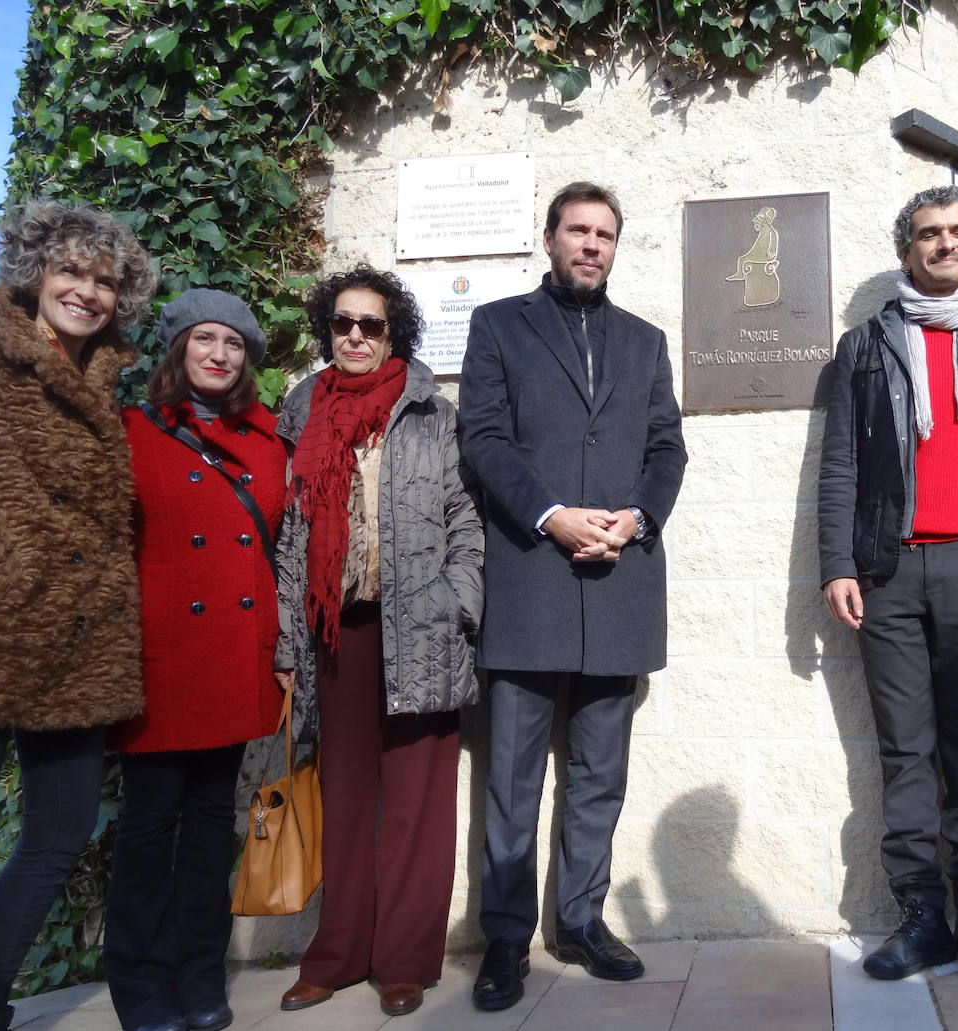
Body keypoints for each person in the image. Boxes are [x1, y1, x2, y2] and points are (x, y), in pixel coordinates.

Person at [459, 181, 687, 1011]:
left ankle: (582, 920)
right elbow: (482, 437)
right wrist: (552, 515)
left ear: (616, 246)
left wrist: (635, 517)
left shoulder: (646, 341)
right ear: (549, 237)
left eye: (605, 234)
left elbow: (668, 447)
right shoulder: (498, 326)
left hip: (620, 580)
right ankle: (508, 939)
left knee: (599, 771)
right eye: (577, 231)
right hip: (531, 577)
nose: (591, 245)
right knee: (511, 775)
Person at [0, 201, 156, 1031]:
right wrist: (8, 580)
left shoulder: (103, 381)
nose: (87, 292)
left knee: (57, 834)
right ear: (34, 273)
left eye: (104, 280)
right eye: (72, 271)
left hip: (78, 642)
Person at [817, 186, 958, 985]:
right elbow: (839, 463)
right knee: (906, 752)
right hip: (890, 570)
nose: (946, 245)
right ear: (907, 251)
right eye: (929, 235)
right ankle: (923, 916)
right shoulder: (865, 346)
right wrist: (838, 562)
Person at [273, 264, 482, 1019]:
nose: (355, 335)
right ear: (327, 329)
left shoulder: (432, 410)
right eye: (342, 323)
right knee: (346, 799)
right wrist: (286, 636)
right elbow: (288, 531)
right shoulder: (300, 410)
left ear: (395, 333)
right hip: (339, 630)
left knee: (419, 806)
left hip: (424, 625)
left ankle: (404, 960)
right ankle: (335, 955)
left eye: (372, 324)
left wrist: (461, 602)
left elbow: (466, 517)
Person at [103, 290, 286, 1031]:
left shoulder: (269, 441)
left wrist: (281, 652)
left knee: (213, 822)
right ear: (177, 349)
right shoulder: (131, 432)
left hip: (236, 657)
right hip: (160, 662)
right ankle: (141, 986)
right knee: (148, 826)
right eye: (204, 338)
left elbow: (278, 555)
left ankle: (200, 974)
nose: (218, 352)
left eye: (234, 343)